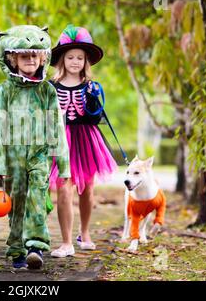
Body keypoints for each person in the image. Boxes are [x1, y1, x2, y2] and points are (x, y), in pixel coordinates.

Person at [0, 25, 70, 269]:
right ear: (12, 59)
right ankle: (17, 249)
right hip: (13, 157)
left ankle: (36, 245)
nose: (30, 60)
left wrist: (63, 164)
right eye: (24, 56)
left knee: (36, 199)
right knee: (17, 203)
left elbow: (56, 126)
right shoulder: (5, 90)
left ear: (43, 58)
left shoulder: (46, 90)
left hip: (39, 156)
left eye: (35, 55)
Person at [48, 25, 117, 258]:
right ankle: (66, 242)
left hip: (86, 139)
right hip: (61, 140)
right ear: (62, 60)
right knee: (63, 188)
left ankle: (84, 233)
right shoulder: (50, 87)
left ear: (86, 61)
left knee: (87, 189)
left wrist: (93, 100)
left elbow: (96, 116)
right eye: (70, 57)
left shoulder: (91, 87)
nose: (75, 61)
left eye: (80, 57)